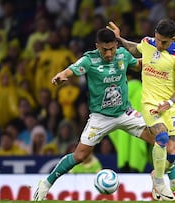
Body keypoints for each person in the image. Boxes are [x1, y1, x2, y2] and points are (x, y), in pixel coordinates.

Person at [33, 28, 161, 201]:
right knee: (80, 155)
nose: (108, 54)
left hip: (125, 113)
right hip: (100, 118)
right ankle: (46, 184)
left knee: (160, 141)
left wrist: (159, 61)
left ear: (116, 45)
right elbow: (72, 69)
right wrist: (62, 75)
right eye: (104, 50)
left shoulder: (122, 54)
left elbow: (138, 65)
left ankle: (163, 183)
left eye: (112, 49)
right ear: (97, 46)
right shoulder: (89, 59)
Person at [107, 19, 175, 200]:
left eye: (164, 42)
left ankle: (167, 177)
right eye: (157, 39)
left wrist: (170, 103)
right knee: (161, 137)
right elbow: (134, 48)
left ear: (173, 39)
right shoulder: (148, 43)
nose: (159, 44)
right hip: (150, 104)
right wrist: (119, 39)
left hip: (171, 106)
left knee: (171, 153)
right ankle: (159, 180)